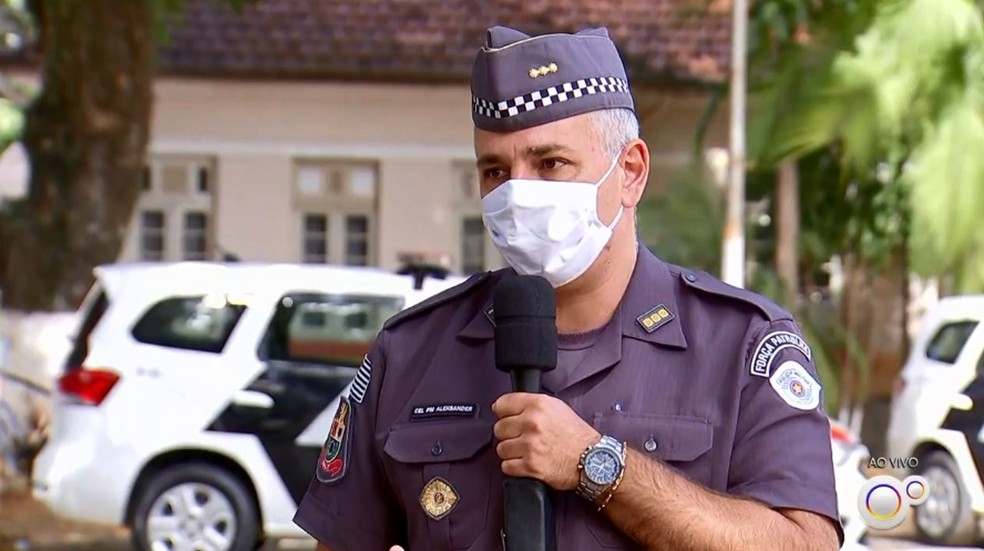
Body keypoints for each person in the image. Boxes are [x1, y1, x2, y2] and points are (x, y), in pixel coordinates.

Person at [293, 25, 843, 551]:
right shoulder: (411, 351)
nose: (517, 194)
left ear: (629, 172)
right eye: (494, 171)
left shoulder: (740, 348)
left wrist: (597, 463)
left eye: (550, 163)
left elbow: (803, 543)